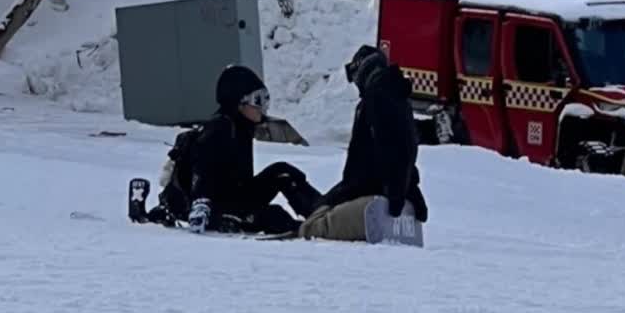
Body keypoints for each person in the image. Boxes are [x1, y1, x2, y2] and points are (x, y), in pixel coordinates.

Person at [142, 65, 322, 235]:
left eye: (265, 98)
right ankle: (316, 226)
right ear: (238, 102)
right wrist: (201, 204)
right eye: (257, 100)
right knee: (273, 217)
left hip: (234, 197)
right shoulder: (221, 128)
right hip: (216, 208)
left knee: (283, 172)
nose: (263, 107)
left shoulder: (242, 126)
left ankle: (322, 212)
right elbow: (203, 166)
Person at [299, 45, 428, 242]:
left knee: (311, 227)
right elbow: (405, 146)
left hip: (370, 192)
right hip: (375, 189)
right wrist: (409, 188)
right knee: (322, 205)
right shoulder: (396, 96)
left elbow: (394, 148)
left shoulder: (377, 97)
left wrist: (395, 195)